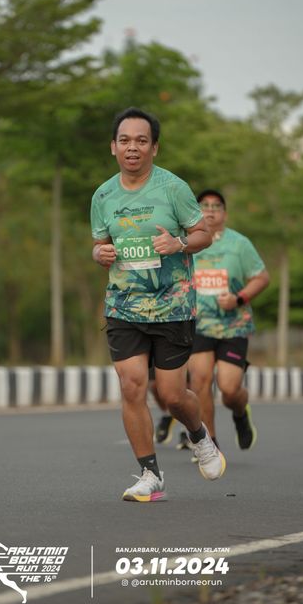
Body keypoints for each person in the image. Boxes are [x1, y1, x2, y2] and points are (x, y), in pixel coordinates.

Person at [90, 107, 226, 502]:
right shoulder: (103, 195)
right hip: (124, 305)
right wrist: (99, 254)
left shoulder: (173, 188)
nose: (132, 147)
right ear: (113, 147)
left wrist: (179, 243)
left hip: (172, 306)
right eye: (125, 141)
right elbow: (100, 243)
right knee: (132, 385)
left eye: (141, 140)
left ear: (154, 148)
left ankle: (199, 435)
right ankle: (149, 473)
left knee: (171, 394)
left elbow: (203, 234)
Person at [187, 189, 270, 449]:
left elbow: (261, 278)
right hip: (199, 324)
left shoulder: (239, 244)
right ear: (196, 212)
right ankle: (210, 444)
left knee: (229, 390)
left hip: (233, 325)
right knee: (199, 381)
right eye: (204, 205)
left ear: (224, 213)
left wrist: (238, 298)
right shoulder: (187, 242)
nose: (210, 210)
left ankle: (240, 412)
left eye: (217, 206)